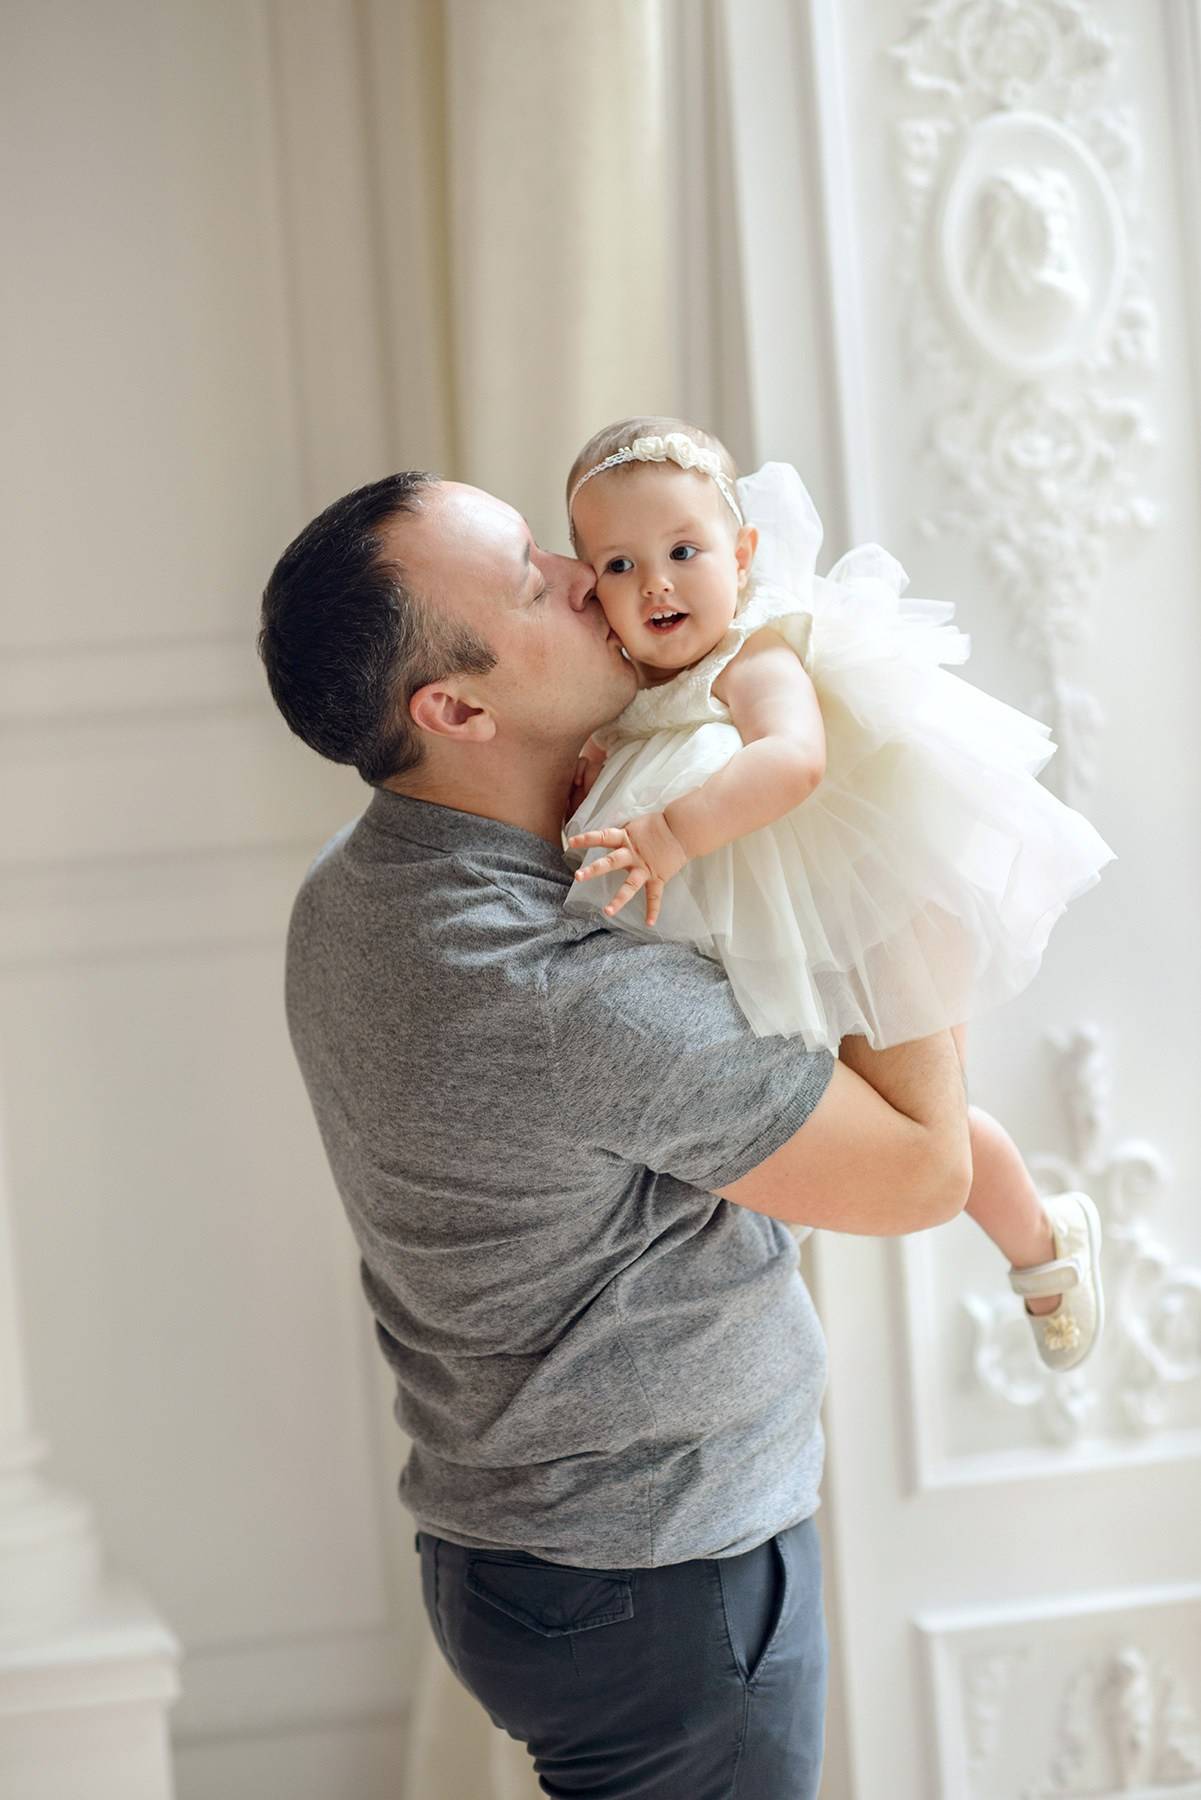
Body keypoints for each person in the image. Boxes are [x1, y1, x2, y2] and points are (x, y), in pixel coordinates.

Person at [259, 468, 973, 1800]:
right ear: (456, 708)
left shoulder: (348, 891)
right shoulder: (558, 989)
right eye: (538, 581)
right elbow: (927, 1170)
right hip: (665, 1585)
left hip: (509, 1560)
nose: (591, 575)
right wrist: (882, 825)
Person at [563, 418, 1114, 1377]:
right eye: (618, 563)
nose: (654, 582)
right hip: (787, 936)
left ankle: (1042, 1241)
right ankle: (1029, 1235)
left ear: (741, 554)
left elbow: (794, 761)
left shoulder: (752, 653)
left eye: (683, 551)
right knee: (852, 1121)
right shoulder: (629, 694)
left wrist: (669, 832)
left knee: (927, 1130)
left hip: (874, 915)